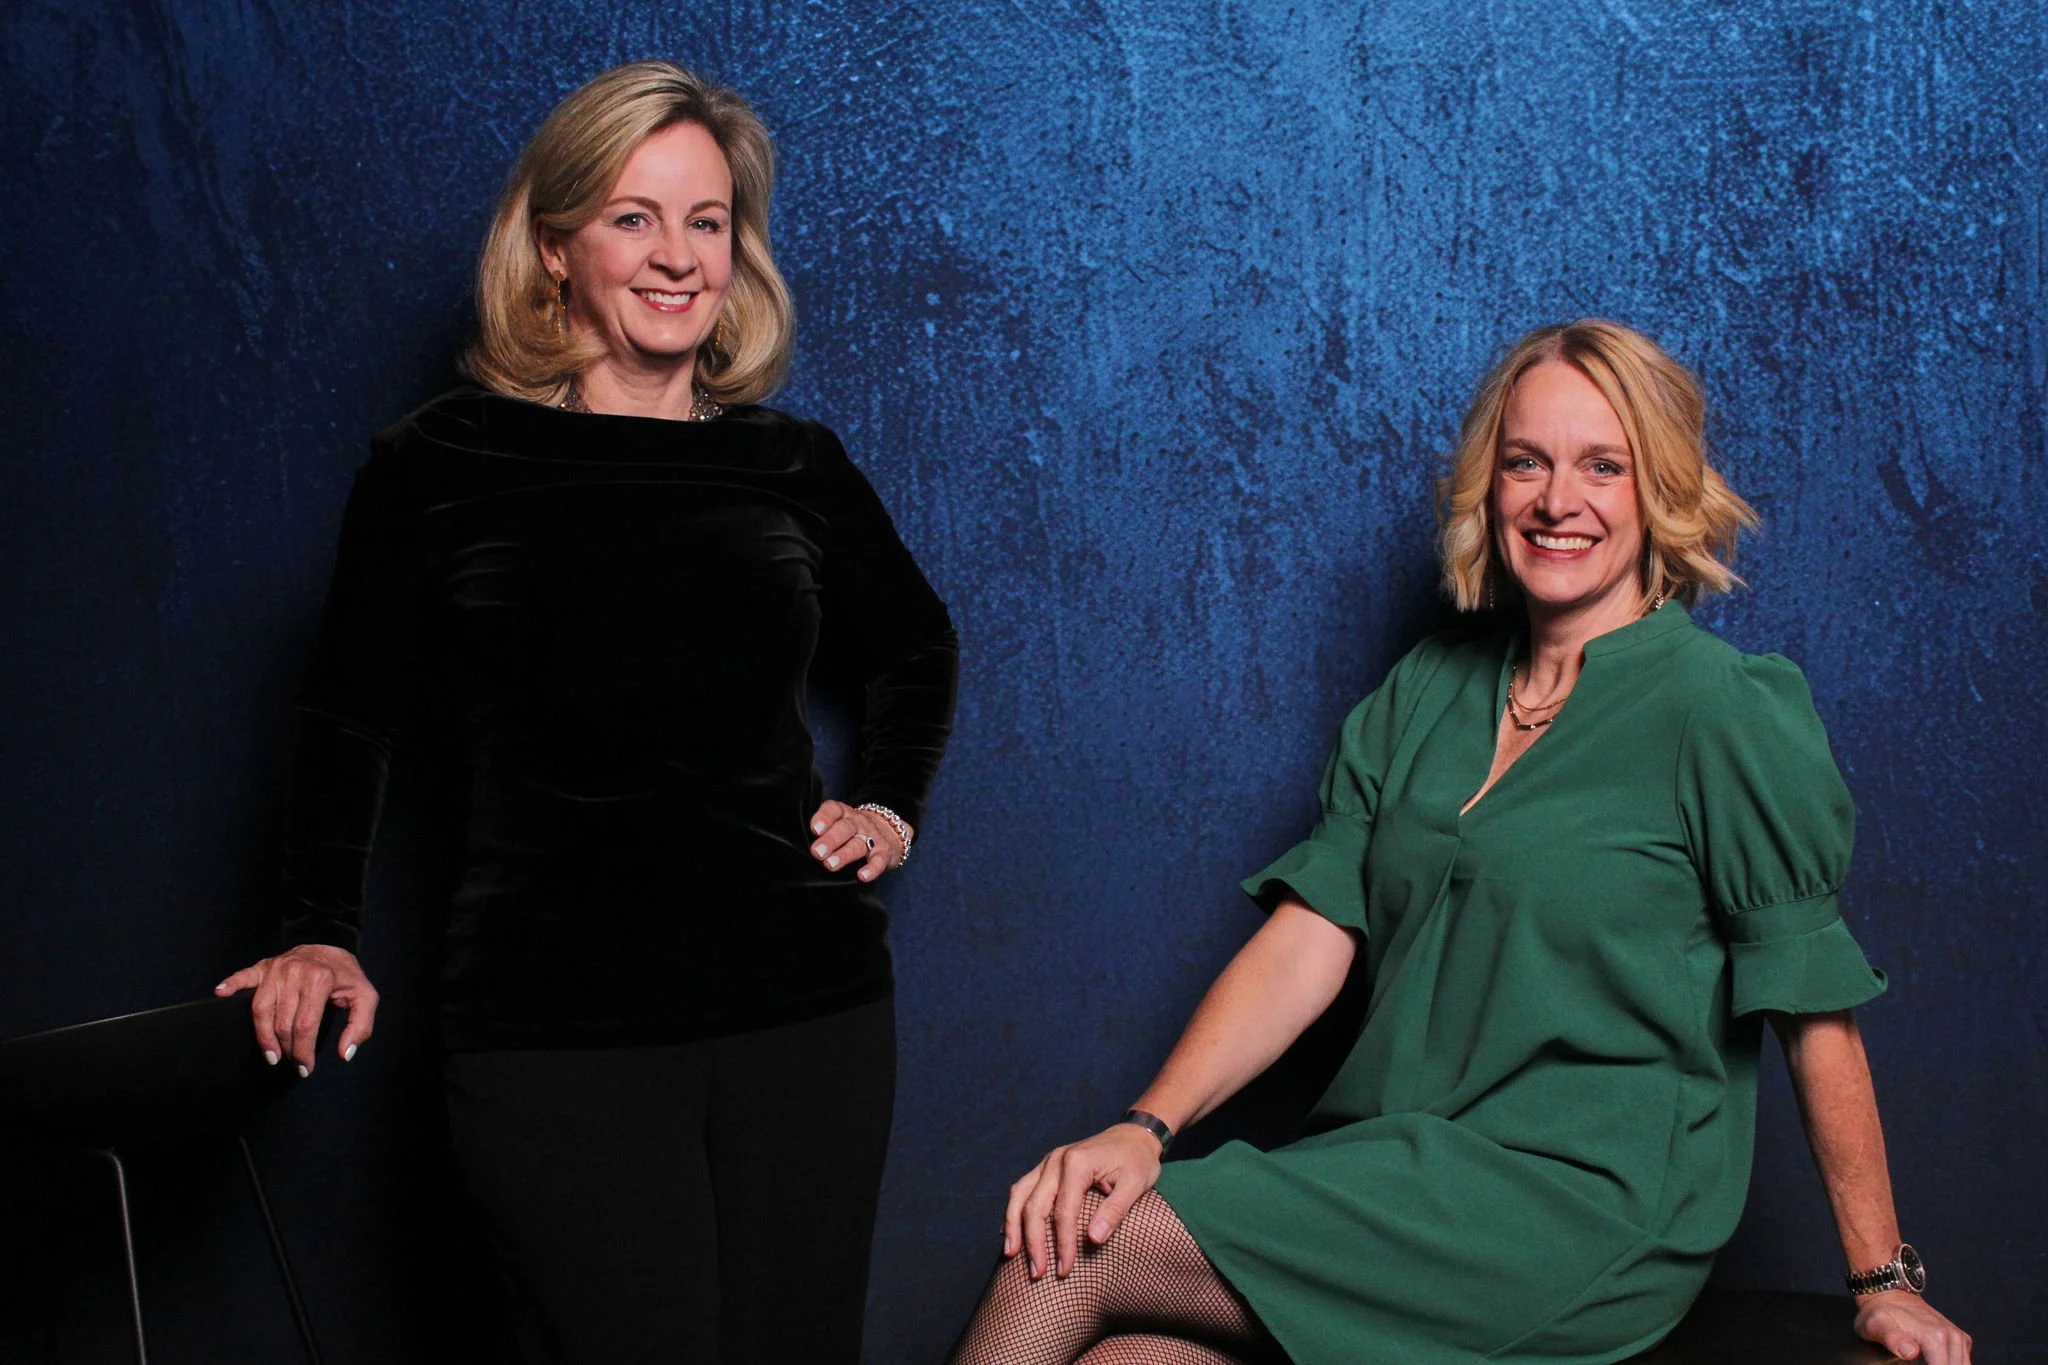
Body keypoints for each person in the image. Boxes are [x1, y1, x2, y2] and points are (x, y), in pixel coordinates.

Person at [949, 320, 1971, 1365]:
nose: (1554, 501)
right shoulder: (1425, 689)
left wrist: (1879, 1280)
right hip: (1394, 1163)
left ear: (1659, 488)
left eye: (1600, 467)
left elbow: (1812, 1011)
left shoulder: (1721, 711)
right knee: (1133, 1361)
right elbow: (1310, 940)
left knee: (1068, 1248)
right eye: (1524, 462)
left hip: (1583, 1202)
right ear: (1489, 483)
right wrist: (1145, 1127)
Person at [214, 61, 958, 1363]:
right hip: (553, 1026)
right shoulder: (437, 468)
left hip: (807, 1011)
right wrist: (318, 931)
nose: (677, 257)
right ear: (553, 248)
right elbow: (346, 712)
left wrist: (889, 803)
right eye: (632, 217)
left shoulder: (790, 464)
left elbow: (916, 645)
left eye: (708, 220)